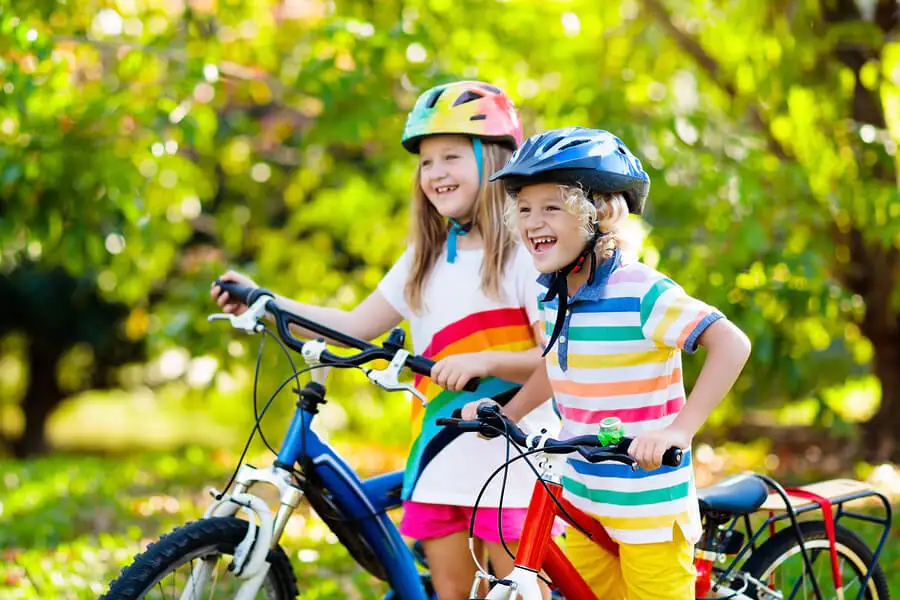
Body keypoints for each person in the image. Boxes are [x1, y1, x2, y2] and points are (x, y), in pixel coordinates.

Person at [212, 81, 559, 599]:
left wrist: (483, 360)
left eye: (451, 157)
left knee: (513, 592)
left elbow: (558, 361)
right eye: (425, 162)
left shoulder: (526, 256)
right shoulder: (424, 259)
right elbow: (352, 327)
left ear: (496, 161)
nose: (435, 172)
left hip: (515, 457)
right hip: (440, 457)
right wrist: (268, 302)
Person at [463, 126, 752, 599]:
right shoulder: (550, 294)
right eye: (526, 209)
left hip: (648, 507)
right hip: (583, 499)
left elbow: (732, 344)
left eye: (552, 207)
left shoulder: (642, 291)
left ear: (597, 213)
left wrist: (678, 431)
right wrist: (509, 413)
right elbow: (559, 366)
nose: (534, 221)